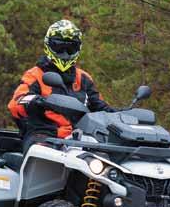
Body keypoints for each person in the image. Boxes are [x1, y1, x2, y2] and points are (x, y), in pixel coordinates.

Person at [7, 19, 115, 152]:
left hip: (81, 138)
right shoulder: (35, 75)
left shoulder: (83, 78)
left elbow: (100, 107)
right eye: (59, 47)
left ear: (78, 48)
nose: (65, 53)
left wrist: (120, 115)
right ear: (49, 45)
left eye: (70, 48)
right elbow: (15, 104)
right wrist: (39, 101)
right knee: (43, 154)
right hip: (44, 136)